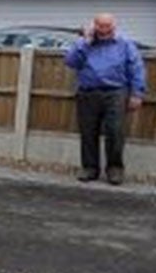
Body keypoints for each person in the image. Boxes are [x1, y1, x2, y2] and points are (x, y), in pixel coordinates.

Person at [63, 13, 146, 184]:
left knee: (115, 132)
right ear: (94, 26)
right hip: (88, 93)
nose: (104, 30)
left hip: (115, 93)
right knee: (88, 132)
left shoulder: (125, 44)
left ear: (114, 27)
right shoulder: (84, 43)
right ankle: (89, 168)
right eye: (100, 26)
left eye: (107, 26)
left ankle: (115, 169)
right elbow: (71, 62)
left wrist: (137, 93)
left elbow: (136, 68)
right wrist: (85, 42)